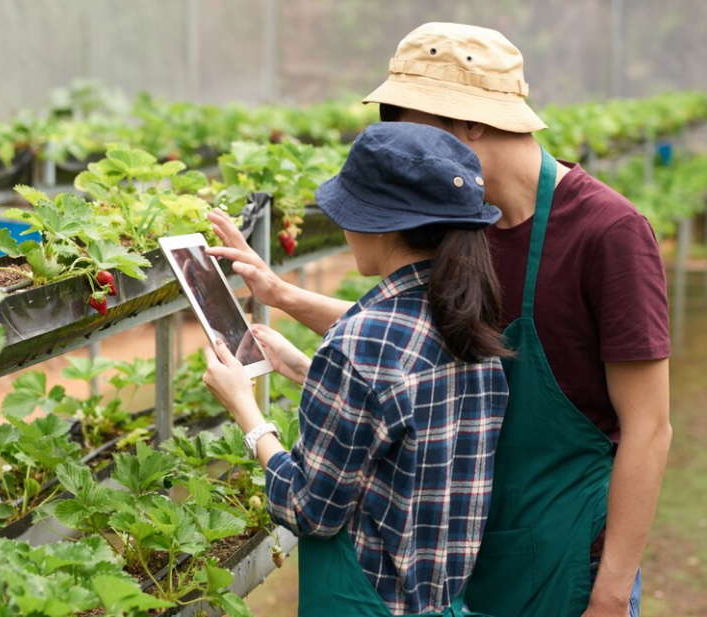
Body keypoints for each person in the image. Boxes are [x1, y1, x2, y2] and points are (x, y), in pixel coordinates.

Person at [208, 22, 672, 617]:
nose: (399, 144)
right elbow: (416, 346)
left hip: (567, 560)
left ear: (471, 122)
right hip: (458, 555)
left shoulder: (607, 233)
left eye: (405, 124)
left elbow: (650, 427)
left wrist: (611, 591)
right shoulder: (461, 228)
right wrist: (282, 295)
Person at [202, 121, 509, 616]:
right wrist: (307, 368)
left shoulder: (361, 342)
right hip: (443, 601)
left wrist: (246, 412)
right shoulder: (470, 320)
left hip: (365, 601)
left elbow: (309, 509)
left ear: (382, 223)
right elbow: (399, 415)